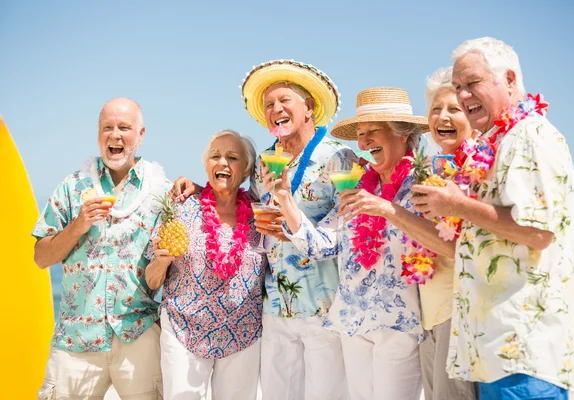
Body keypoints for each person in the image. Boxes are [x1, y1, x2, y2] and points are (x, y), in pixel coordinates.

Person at [412, 37, 574, 398]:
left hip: (523, 351)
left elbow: (538, 231)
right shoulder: (500, 141)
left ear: (508, 79)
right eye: (458, 87)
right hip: (493, 349)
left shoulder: (532, 135)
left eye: (472, 83)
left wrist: (457, 206)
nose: (463, 95)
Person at [174, 60, 355, 400]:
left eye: (285, 101)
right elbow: (241, 201)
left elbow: (345, 233)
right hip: (275, 307)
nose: (276, 110)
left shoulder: (340, 157)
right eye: (270, 105)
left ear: (309, 108)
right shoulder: (264, 162)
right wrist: (199, 189)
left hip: (326, 308)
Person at [267, 86, 436, 399]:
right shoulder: (359, 188)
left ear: (402, 134)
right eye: (360, 133)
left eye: (373, 131)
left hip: (397, 327)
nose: (363, 142)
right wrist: (285, 200)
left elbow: (438, 241)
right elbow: (320, 246)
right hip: (351, 325)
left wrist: (388, 209)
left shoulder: (425, 183)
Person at [33, 97, 171, 399]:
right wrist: (78, 225)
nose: (115, 134)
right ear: (98, 135)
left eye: (124, 127)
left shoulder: (160, 192)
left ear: (141, 134)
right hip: (76, 337)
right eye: (107, 127)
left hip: (138, 332)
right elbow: (41, 257)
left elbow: (159, 276)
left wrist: (163, 261)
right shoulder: (73, 186)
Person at [145, 129, 266, 400]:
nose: (222, 162)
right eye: (215, 156)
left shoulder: (260, 216)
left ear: (246, 170)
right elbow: (152, 281)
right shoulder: (181, 209)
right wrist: (162, 261)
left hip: (243, 334)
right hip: (184, 332)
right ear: (206, 165)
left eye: (232, 157)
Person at [417, 67, 478, 400]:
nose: (442, 117)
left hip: (459, 312)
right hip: (429, 313)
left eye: (454, 109)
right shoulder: (433, 170)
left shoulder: (480, 168)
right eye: (435, 110)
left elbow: (460, 247)